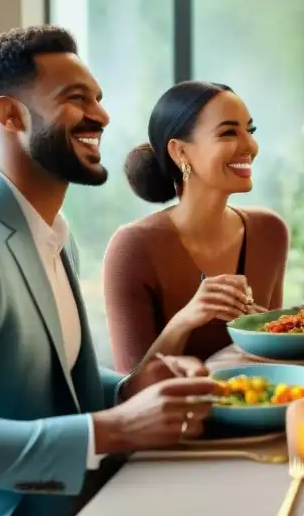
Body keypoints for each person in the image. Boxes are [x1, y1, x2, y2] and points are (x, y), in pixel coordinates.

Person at [0, 25, 223, 516]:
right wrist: (119, 427)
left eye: (99, 98)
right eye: (75, 100)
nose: (102, 116)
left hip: (65, 495)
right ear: (10, 115)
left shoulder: (53, 234)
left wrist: (133, 388)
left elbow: (50, 390)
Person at [103, 81, 289, 373]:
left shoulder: (270, 231)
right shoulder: (132, 248)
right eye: (229, 132)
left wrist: (268, 330)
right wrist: (185, 320)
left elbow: (273, 364)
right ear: (180, 152)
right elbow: (129, 389)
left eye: (249, 131)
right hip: (178, 418)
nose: (250, 146)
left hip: (259, 409)